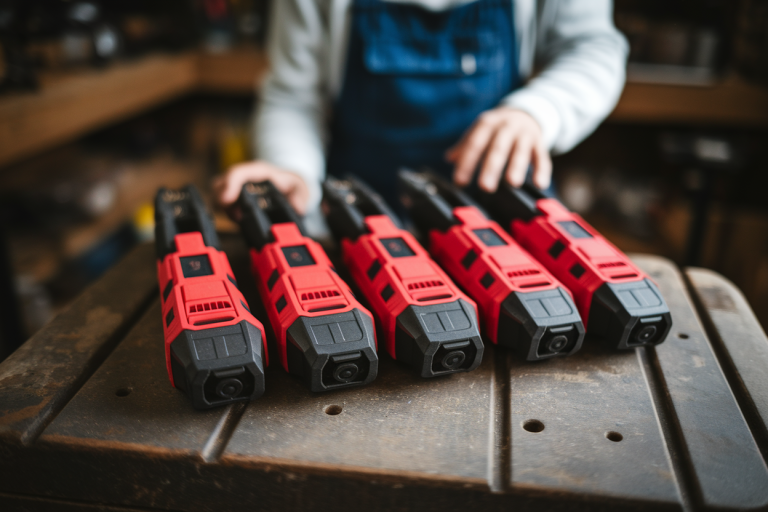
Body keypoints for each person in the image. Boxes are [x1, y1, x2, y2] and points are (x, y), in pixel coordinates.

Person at [214, 0, 627, 230]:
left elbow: (593, 47)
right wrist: (291, 168)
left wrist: (539, 111)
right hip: (355, 219)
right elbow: (293, 97)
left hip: (498, 217)